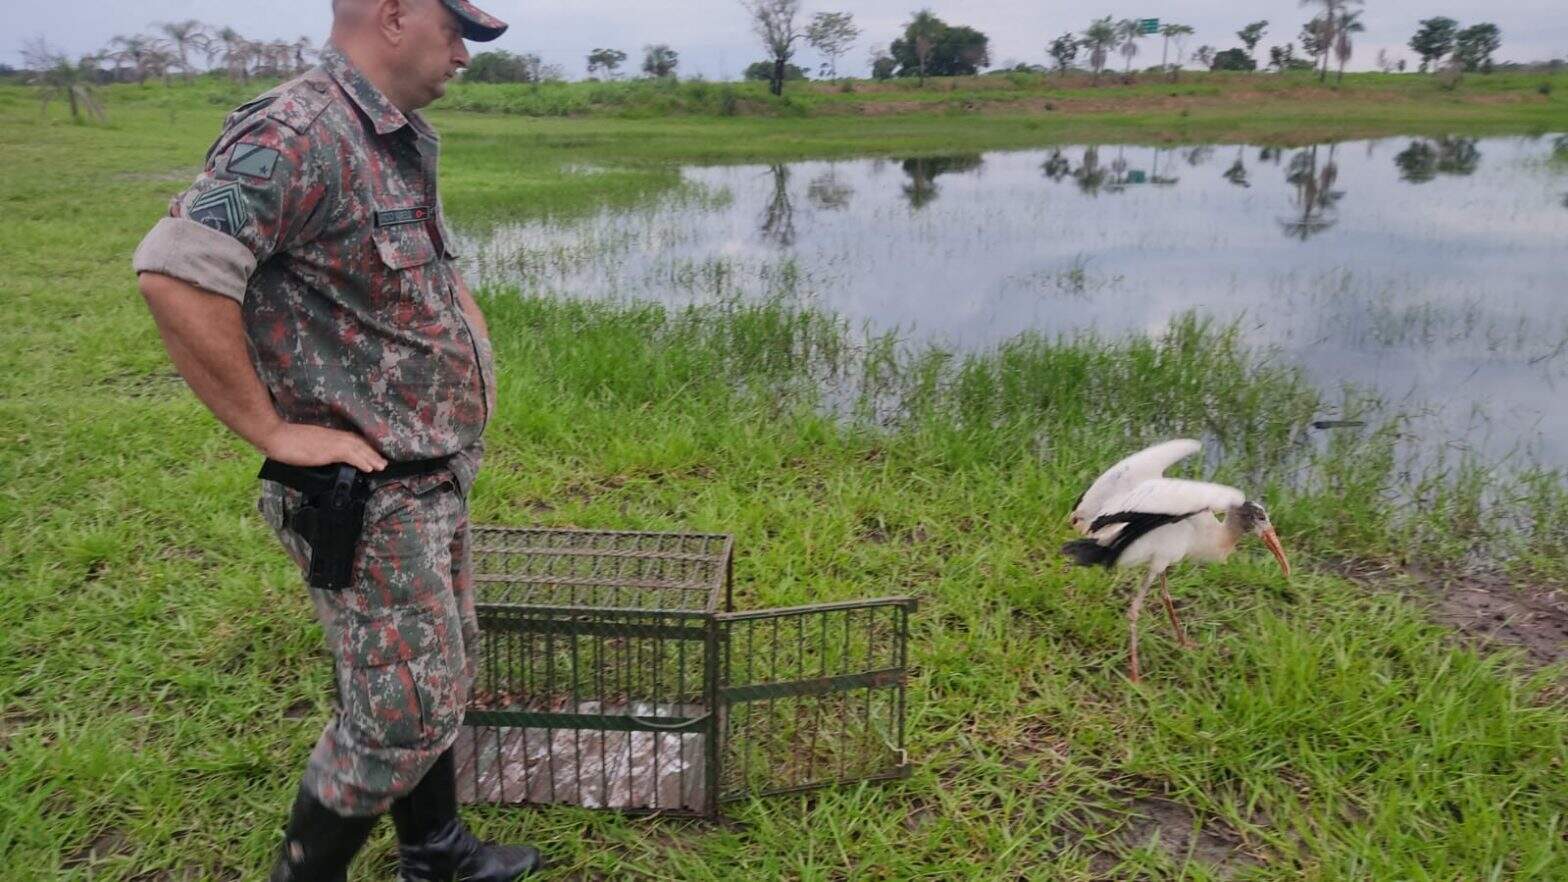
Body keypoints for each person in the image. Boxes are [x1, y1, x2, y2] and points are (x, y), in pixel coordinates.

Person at [132, 1, 541, 878]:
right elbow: (177, 270)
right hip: (372, 495)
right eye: (457, 29)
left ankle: (437, 854)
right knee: (398, 716)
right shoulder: (297, 130)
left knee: (433, 678)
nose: (465, 54)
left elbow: (424, 271)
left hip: (430, 476)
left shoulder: (390, 136)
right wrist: (273, 429)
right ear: (394, 13)